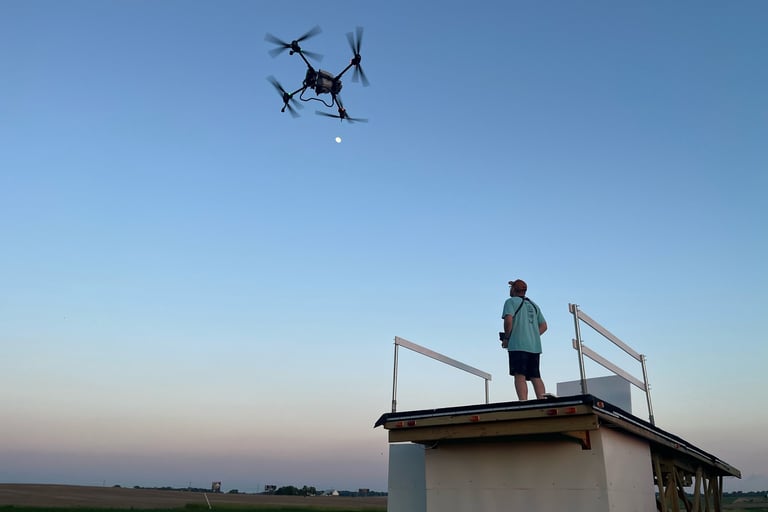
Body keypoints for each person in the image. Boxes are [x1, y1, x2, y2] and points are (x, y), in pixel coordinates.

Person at [500, 279, 548, 400]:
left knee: (519, 375)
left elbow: (508, 320)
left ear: (514, 289)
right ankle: (542, 400)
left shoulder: (510, 302)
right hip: (534, 346)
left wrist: (507, 337)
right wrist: (533, 335)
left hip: (518, 344)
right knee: (535, 376)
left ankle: (523, 402)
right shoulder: (534, 305)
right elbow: (544, 326)